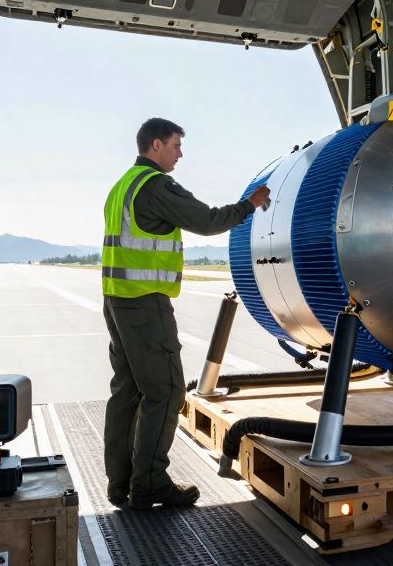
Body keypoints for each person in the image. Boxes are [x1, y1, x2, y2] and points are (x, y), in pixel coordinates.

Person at [101, 117, 270, 509]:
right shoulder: (156, 184)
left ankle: (121, 485)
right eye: (176, 145)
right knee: (166, 390)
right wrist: (250, 204)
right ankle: (149, 485)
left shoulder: (121, 185)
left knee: (127, 392)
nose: (180, 153)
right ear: (156, 145)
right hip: (145, 302)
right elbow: (207, 221)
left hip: (118, 300)